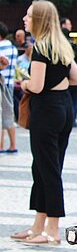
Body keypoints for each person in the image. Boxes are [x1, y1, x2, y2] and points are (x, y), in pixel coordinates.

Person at [10, 0, 77, 245]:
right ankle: (38, 226)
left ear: (39, 20)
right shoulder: (62, 46)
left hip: (46, 110)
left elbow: (37, 86)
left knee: (47, 170)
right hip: (62, 108)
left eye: (29, 16)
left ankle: (52, 230)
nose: (24, 19)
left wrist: (25, 82)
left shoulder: (41, 48)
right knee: (44, 167)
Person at [60, 17, 77, 127]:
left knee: (72, 100)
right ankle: (70, 120)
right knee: (70, 101)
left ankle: (71, 120)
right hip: (69, 76)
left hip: (74, 76)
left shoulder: (67, 42)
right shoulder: (62, 42)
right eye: (69, 24)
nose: (71, 26)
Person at [0, 21, 18, 154]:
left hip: (1, 84)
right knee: (8, 113)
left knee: (1, 115)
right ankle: (13, 145)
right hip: (10, 83)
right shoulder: (13, 48)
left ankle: (1, 146)